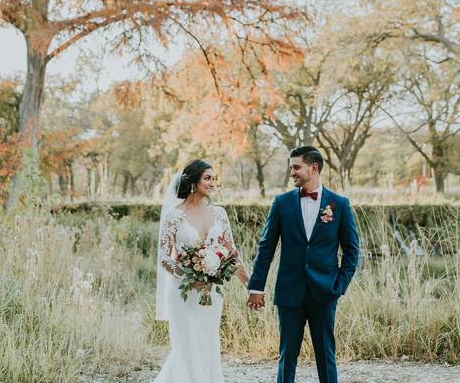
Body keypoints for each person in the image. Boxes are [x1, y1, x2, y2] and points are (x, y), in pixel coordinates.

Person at [246, 145, 360, 383]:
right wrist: (256, 287)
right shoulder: (281, 203)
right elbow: (266, 247)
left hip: (325, 291)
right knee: (287, 355)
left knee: (326, 354)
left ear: (313, 168)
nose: (292, 173)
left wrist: (338, 285)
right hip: (290, 290)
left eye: (296, 167)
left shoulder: (339, 204)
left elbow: (352, 251)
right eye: (291, 168)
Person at [153, 159, 249, 383]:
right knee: (186, 346)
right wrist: (187, 275)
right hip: (182, 292)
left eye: (214, 178)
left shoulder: (219, 214)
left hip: (211, 294)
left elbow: (231, 253)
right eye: (207, 178)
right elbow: (165, 257)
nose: (213, 183)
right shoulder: (173, 217)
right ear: (193, 182)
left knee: (207, 344)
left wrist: (251, 285)